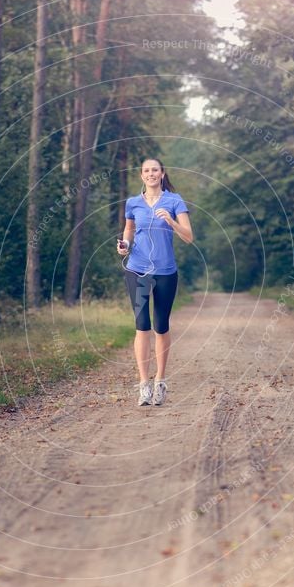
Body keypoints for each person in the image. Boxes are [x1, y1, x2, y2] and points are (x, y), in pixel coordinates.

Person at [117, 158, 193, 407]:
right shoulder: (133, 203)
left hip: (165, 271)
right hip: (137, 269)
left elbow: (189, 237)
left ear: (162, 174)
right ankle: (144, 386)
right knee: (142, 325)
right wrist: (125, 245)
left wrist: (171, 222)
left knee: (161, 326)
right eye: (146, 171)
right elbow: (129, 230)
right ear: (141, 176)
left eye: (155, 170)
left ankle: (160, 380)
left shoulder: (174, 201)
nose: (151, 174)